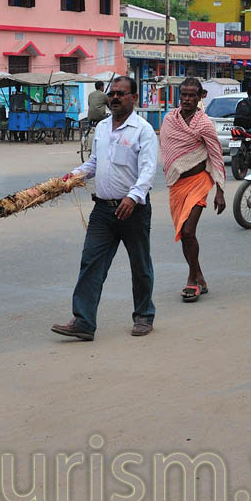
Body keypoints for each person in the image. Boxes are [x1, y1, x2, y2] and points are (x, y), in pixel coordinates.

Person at [52, 76, 159, 340]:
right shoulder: (101, 128)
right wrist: (73, 177)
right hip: (102, 210)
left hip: (132, 210)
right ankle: (84, 321)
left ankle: (144, 315)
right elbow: (94, 163)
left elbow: (148, 171)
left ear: (134, 98)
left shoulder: (143, 130)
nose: (115, 98)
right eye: (112, 94)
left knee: (140, 265)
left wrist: (133, 197)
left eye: (122, 94)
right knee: (91, 262)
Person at [161, 77, 227, 302]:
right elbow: (167, 149)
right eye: (184, 94)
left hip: (199, 182)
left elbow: (216, 155)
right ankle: (200, 276)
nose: (187, 99)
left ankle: (191, 279)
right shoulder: (170, 119)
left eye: (192, 95)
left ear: (201, 97)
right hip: (177, 185)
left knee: (189, 231)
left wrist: (220, 190)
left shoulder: (205, 123)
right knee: (184, 233)